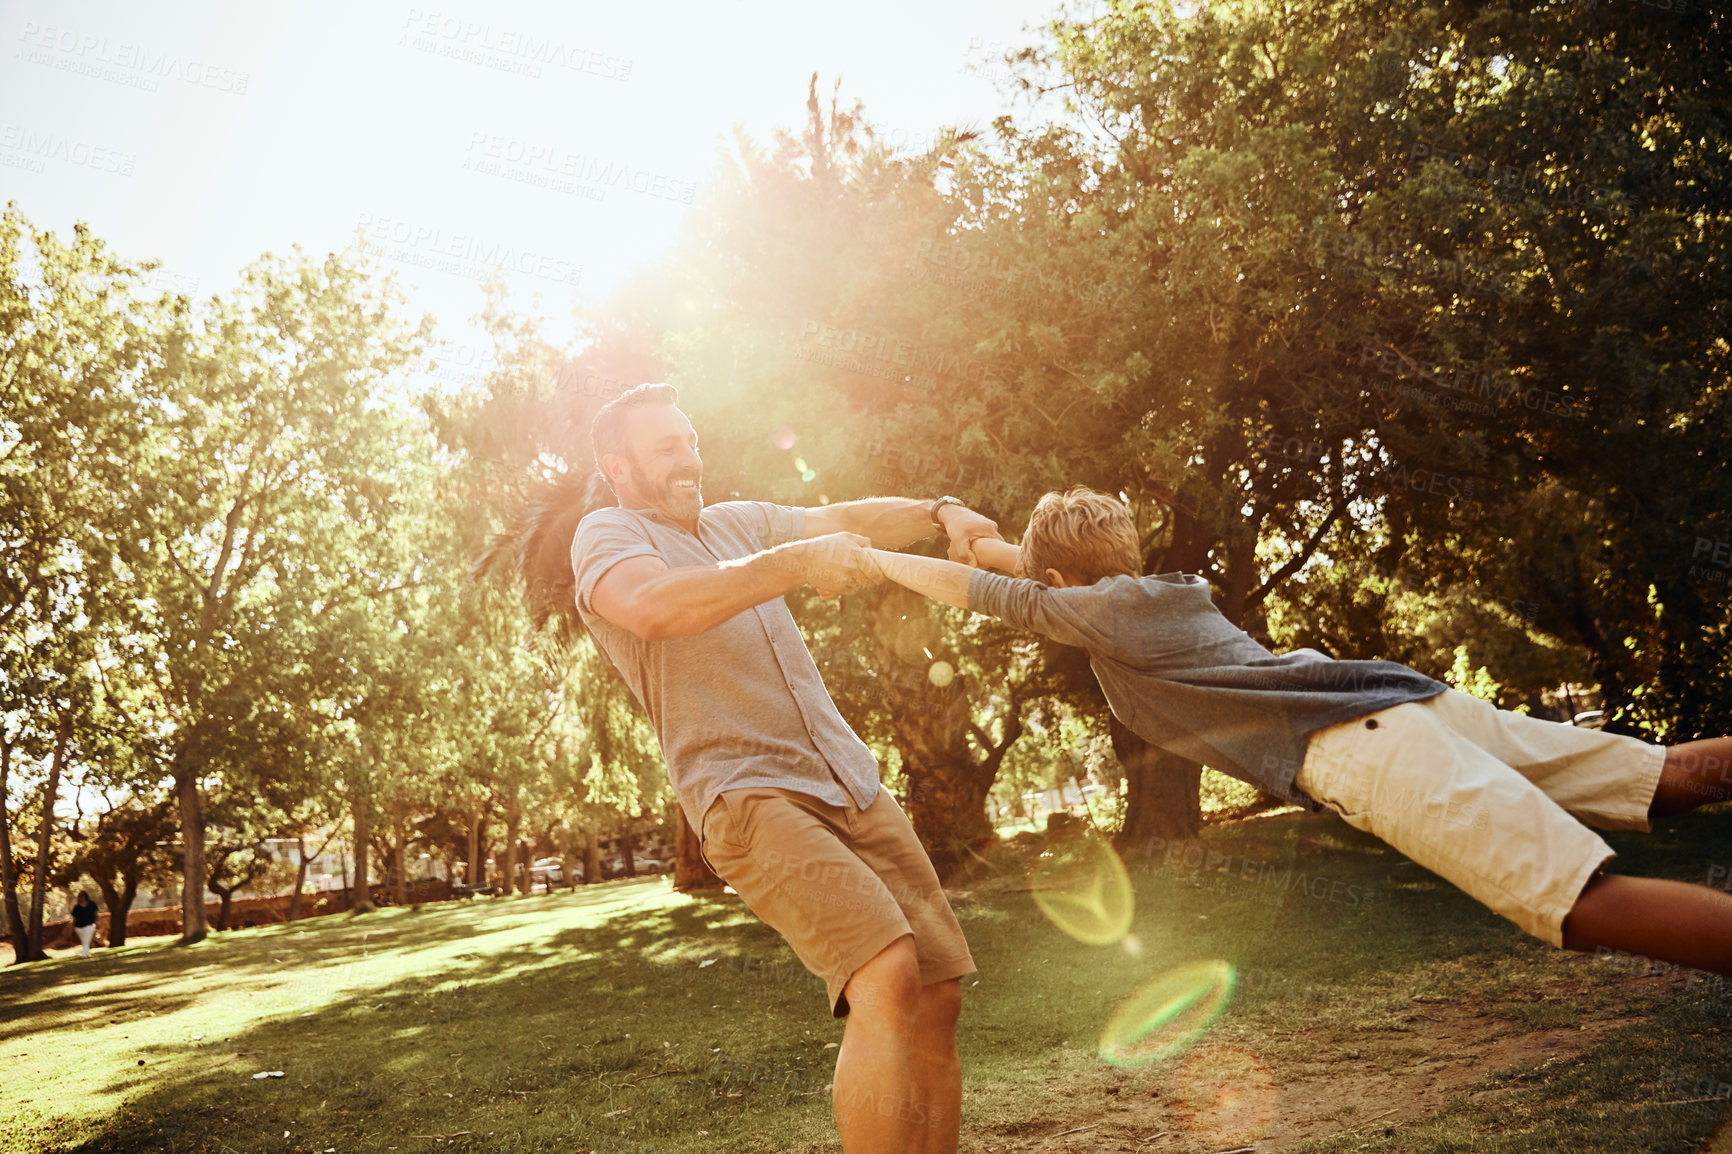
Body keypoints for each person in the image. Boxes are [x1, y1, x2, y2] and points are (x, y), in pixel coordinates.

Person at [866, 486, 1732, 977]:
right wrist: (950, 512)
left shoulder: (1102, 614)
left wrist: (860, 559)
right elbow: (1003, 564)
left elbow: (988, 590)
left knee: (1579, 907)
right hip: (1406, 700)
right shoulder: (1146, 594)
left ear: (1062, 580)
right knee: (1672, 777)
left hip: (1358, 748)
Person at [569, 383, 998, 1154]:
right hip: (748, 794)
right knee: (886, 972)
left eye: (690, 440)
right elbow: (657, 607)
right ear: (619, 467)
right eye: (666, 447)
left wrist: (940, 511)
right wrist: (795, 563)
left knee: (936, 995)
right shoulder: (607, 535)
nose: (689, 457)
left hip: (850, 781)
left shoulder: (736, 523)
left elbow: (849, 520)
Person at [71, 892, 98, 958]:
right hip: (79, 927)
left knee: (86, 940)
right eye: (80, 896)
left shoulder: (92, 904)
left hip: (89, 925)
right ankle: (87, 954)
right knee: (84, 941)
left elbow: (96, 914)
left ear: (86, 896)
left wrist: (97, 922)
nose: (81, 897)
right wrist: (73, 928)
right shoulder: (76, 907)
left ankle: (83, 955)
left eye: (82, 896)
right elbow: (74, 918)